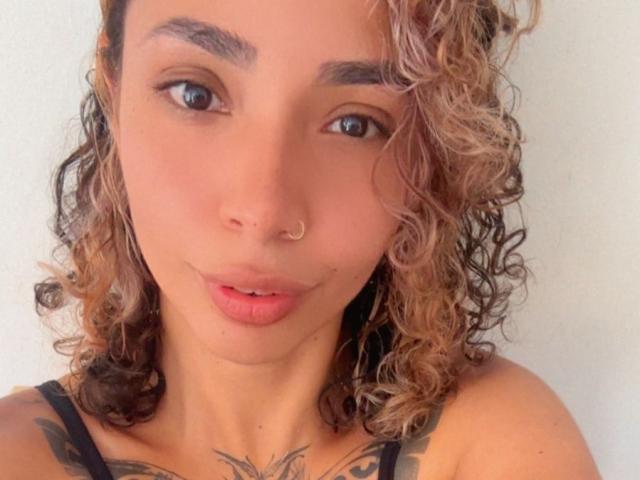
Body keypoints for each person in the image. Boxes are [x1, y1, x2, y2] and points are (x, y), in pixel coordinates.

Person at [0, 0, 601, 478]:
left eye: (355, 124)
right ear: (113, 84)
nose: (264, 213)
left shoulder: (499, 445)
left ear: (432, 151)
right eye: (195, 95)